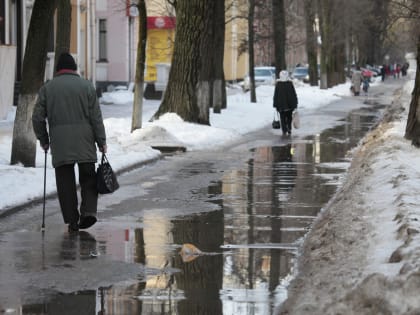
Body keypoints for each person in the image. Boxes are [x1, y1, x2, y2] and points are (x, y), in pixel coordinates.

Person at [32, 52, 107, 232]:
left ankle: (72, 221)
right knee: (89, 178)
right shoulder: (87, 86)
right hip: (85, 142)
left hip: (61, 144)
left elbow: (37, 118)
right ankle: (88, 211)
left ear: (58, 70)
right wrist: (101, 141)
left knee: (65, 183)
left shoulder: (47, 88)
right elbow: (96, 118)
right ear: (74, 68)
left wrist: (44, 139)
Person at [273, 70, 298, 136]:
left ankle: (284, 130)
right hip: (289, 105)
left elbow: (276, 95)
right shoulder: (289, 83)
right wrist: (295, 104)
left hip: (281, 105)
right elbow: (293, 94)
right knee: (289, 117)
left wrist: (275, 104)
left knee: (282, 118)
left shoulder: (278, 84)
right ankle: (289, 128)